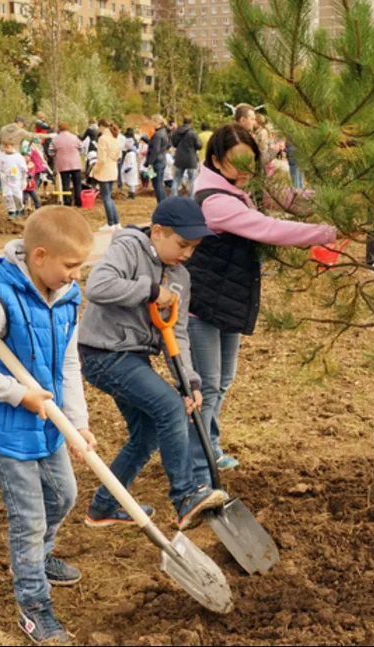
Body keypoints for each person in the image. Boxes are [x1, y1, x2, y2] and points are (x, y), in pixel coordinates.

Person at [0, 206, 97, 644]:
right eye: (70, 266)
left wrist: (77, 422)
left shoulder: (67, 296)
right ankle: (32, 604)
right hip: (4, 424)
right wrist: (18, 394)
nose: (76, 275)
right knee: (28, 517)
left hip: (45, 418)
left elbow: (68, 361)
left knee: (65, 495)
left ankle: (37, 556)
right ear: (39, 256)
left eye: (80, 267)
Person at [186, 124, 338, 477]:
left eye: (250, 162)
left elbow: (287, 199)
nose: (244, 170)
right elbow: (269, 227)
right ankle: (197, 464)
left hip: (228, 296)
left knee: (222, 380)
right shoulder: (216, 200)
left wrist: (336, 202)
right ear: (216, 160)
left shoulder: (240, 187)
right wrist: (328, 232)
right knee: (205, 386)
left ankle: (210, 446)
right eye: (235, 163)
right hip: (202, 302)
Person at [78, 198, 229, 530]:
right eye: (182, 244)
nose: (187, 254)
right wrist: (149, 290)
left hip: (133, 357)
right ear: (157, 232)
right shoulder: (129, 247)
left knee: (146, 436)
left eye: (194, 248)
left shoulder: (180, 277)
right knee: (170, 409)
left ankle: (104, 504)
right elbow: (98, 286)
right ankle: (185, 496)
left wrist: (189, 381)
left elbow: (177, 333)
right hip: (103, 353)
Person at [93, 122, 123, 231]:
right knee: (109, 197)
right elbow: (119, 155)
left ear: (102, 128)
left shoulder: (103, 139)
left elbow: (101, 159)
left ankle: (110, 223)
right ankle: (117, 222)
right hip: (113, 168)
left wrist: (95, 169)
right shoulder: (116, 139)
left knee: (106, 197)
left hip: (104, 170)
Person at [0, 139, 29, 219]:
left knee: (17, 196)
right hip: (6, 180)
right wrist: (1, 174)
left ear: (12, 146)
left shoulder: (18, 156)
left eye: (9, 146)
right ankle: (11, 211)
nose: (7, 147)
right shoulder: (1, 156)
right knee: (8, 196)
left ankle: (19, 209)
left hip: (17, 179)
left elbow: (24, 169)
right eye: (5, 146)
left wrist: (24, 179)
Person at [52, 122, 84, 208]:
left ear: (59, 128)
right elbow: (81, 149)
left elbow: (50, 152)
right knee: (77, 184)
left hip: (63, 164)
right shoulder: (74, 137)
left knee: (65, 184)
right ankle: (78, 202)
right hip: (75, 163)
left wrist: (57, 154)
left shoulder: (55, 139)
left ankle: (67, 202)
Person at [171, 117, 204, 197]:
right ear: (191, 122)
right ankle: (191, 199)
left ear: (183, 122)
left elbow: (174, 143)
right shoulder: (193, 133)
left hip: (179, 158)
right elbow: (199, 146)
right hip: (191, 159)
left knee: (176, 179)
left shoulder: (177, 132)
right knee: (193, 180)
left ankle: (174, 197)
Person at [147, 115, 172, 203]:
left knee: (157, 185)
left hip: (155, 162)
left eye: (151, 121)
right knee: (159, 184)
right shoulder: (163, 132)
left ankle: (161, 204)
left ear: (156, 122)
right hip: (161, 160)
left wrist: (149, 163)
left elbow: (155, 150)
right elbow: (167, 145)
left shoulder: (158, 134)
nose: (150, 123)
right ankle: (163, 203)